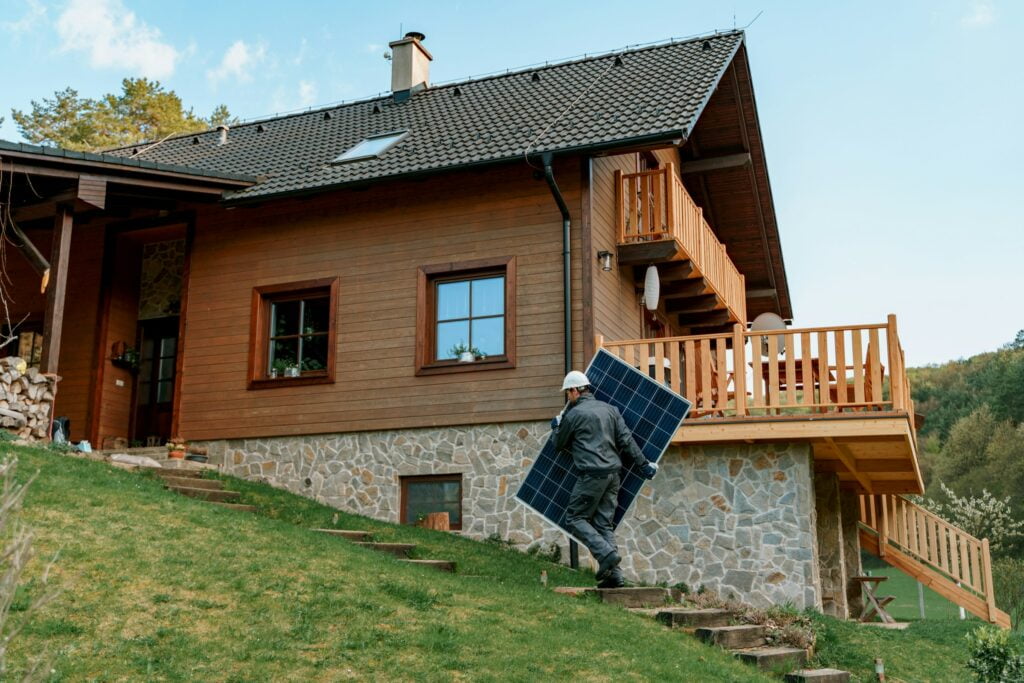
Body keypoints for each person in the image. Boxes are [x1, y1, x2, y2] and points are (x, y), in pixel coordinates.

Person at [551, 370, 658, 588]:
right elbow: (626, 440)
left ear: (574, 391)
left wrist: (556, 427)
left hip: (592, 475)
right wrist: (643, 465)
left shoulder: (573, 415)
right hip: (613, 475)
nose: (567, 398)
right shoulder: (611, 410)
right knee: (603, 524)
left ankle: (606, 553)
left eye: (567, 393)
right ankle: (615, 575)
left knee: (574, 518)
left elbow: (559, 444)